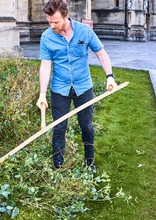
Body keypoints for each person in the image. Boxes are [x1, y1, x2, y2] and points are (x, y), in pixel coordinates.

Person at [36, 0, 117, 170]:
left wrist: (109, 76)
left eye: (56, 22)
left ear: (66, 16)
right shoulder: (47, 37)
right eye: (49, 21)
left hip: (83, 87)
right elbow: (45, 65)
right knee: (59, 128)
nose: (52, 25)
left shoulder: (84, 32)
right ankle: (58, 165)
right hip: (59, 89)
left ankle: (90, 162)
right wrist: (42, 93)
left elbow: (101, 54)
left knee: (86, 126)